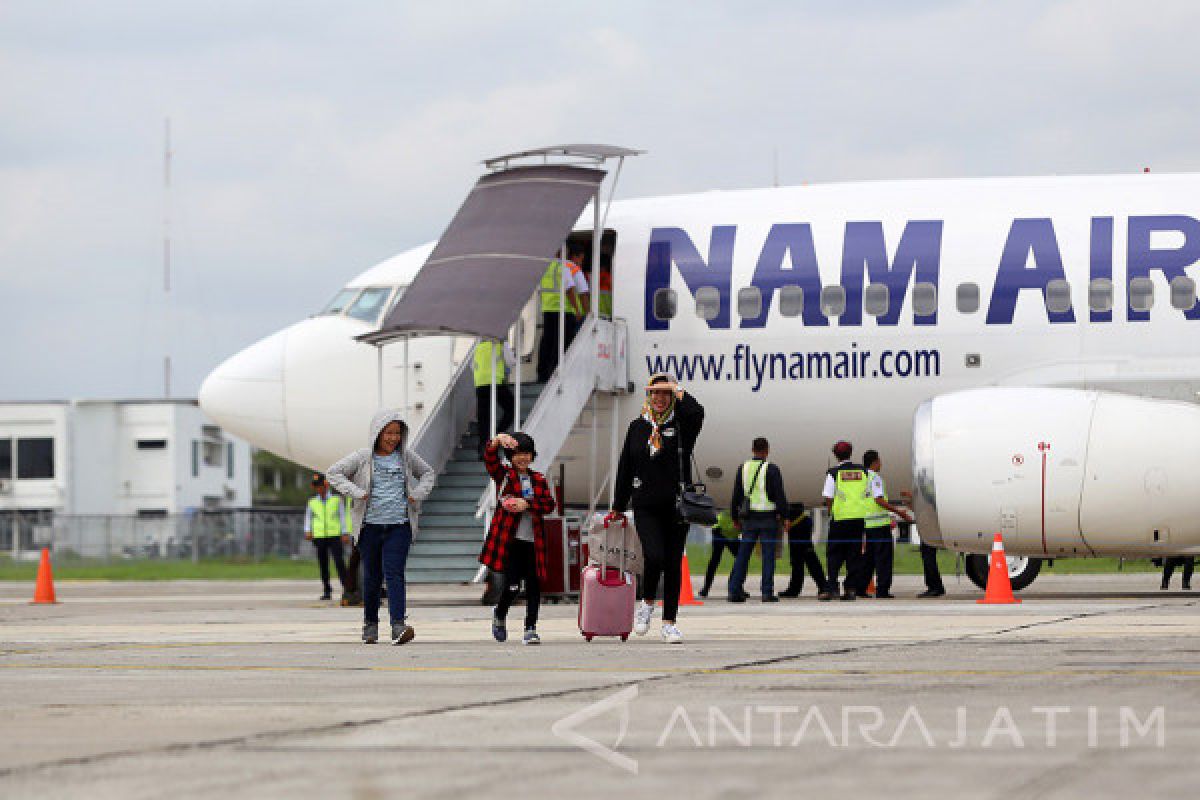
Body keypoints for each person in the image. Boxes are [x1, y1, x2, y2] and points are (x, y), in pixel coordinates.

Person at [610, 374, 705, 644]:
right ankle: (647, 603)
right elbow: (625, 467)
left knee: (673, 563)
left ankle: (669, 623)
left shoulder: (683, 426)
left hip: (676, 505)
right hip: (646, 504)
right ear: (648, 396)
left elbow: (697, 412)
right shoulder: (637, 427)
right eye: (655, 393)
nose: (660, 398)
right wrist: (618, 505)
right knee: (654, 555)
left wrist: (679, 389)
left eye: (665, 393)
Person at [327, 411, 435, 645]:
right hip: (370, 528)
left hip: (399, 526)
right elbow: (333, 473)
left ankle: (398, 625)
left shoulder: (405, 457)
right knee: (372, 577)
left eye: (397, 433)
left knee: (395, 574)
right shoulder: (364, 457)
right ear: (377, 433)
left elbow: (428, 473)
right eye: (389, 433)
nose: (393, 438)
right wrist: (356, 492)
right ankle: (370, 625)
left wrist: (417, 495)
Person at [479, 432, 558, 644]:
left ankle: (530, 628)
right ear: (510, 456)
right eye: (517, 454)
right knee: (513, 586)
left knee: (534, 586)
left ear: (532, 455)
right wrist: (495, 441)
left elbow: (550, 505)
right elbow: (490, 459)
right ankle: (500, 613)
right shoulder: (504, 475)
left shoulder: (539, 479)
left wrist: (528, 505)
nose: (522, 458)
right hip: (511, 542)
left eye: (527, 453)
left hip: (534, 542)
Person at [727, 437, 789, 602]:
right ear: (767, 450)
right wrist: (785, 517)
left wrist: (734, 517)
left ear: (752, 449)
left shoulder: (743, 468)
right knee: (768, 556)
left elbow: (736, 495)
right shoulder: (772, 469)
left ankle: (734, 590)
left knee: (743, 555)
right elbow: (779, 496)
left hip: (749, 519)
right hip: (768, 518)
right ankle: (766, 592)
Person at [821, 440, 875, 602]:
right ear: (850, 453)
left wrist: (832, 511)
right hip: (858, 520)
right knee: (854, 556)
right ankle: (850, 589)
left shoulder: (833, 473)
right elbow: (869, 492)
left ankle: (832, 588)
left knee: (834, 556)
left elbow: (828, 497)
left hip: (839, 520)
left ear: (835, 455)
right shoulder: (864, 472)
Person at [859, 450, 911, 599]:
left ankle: (861, 588)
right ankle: (882, 590)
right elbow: (879, 500)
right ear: (875, 462)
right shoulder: (875, 478)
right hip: (880, 525)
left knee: (868, 559)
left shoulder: (861, 478)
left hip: (867, 524)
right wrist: (899, 512)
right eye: (880, 461)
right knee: (883, 559)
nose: (881, 464)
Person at [535, 247, 590, 383]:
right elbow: (574, 290)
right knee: (562, 343)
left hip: (548, 309)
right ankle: (557, 373)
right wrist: (579, 310)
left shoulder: (543, 267)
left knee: (547, 342)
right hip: (564, 310)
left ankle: (543, 374)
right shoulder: (567, 267)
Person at [304, 474, 350, 601]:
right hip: (319, 536)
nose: (318, 489)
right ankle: (327, 590)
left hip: (335, 535)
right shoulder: (312, 502)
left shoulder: (336, 499)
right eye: (316, 486)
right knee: (323, 563)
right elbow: (309, 517)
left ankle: (347, 588)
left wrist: (345, 532)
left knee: (339, 562)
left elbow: (342, 515)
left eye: (320, 486)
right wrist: (307, 530)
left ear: (326, 485)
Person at [473, 339, 515, 458]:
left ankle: (483, 448)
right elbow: (511, 361)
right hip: (495, 382)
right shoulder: (500, 342)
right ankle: (496, 436)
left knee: (483, 416)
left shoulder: (478, 344)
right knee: (511, 408)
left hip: (480, 383)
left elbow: (473, 366)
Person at [779, 502, 829, 598]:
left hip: (797, 521)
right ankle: (796, 588)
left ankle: (822, 586)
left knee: (806, 558)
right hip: (797, 520)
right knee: (802, 559)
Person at [699, 509, 739, 598]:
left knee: (741, 559)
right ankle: (706, 588)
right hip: (721, 529)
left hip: (730, 530)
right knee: (715, 559)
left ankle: (735, 586)